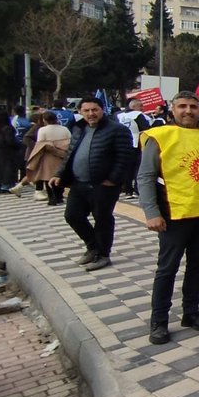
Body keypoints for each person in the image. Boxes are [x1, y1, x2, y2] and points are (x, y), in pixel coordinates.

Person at [138, 92, 199, 344]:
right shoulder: (158, 136)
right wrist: (151, 212)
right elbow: (145, 176)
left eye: (193, 106)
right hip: (173, 215)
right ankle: (159, 321)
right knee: (167, 269)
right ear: (172, 109)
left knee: (197, 266)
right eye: (182, 107)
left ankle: (191, 312)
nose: (188, 111)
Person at [48, 97, 134, 272]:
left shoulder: (117, 130)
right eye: (86, 110)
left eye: (94, 110)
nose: (91, 114)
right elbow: (70, 154)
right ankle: (92, 246)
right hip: (79, 183)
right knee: (72, 215)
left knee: (102, 219)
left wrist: (113, 179)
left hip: (104, 185)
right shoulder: (79, 129)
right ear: (80, 112)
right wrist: (59, 174)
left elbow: (125, 157)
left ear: (102, 110)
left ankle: (103, 254)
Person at [21, 112, 70, 206]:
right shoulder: (65, 129)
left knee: (48, 177)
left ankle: (52, 198)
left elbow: (40, 144)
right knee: (60, 175)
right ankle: (59, 196)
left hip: (48, 155)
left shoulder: (42, 130)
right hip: (63, 155)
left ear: (44, 120)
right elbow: (70, 141)